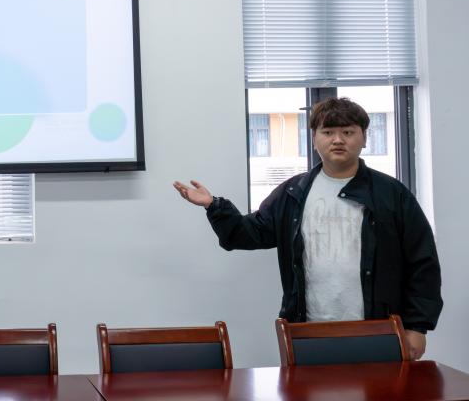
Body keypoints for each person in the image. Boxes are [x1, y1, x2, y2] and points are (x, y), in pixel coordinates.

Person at [173, 97, 441, 360]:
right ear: (314, 138)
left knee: (381, 386)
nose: (338, 140)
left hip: (379, 328)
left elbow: (422, 261)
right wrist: (214, 205)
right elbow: (248, 233)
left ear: (364, 137)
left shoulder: (391, 194)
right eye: (328, 132)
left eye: (348, 132)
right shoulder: (294, 192)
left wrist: (417, 327)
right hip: (306, 329)